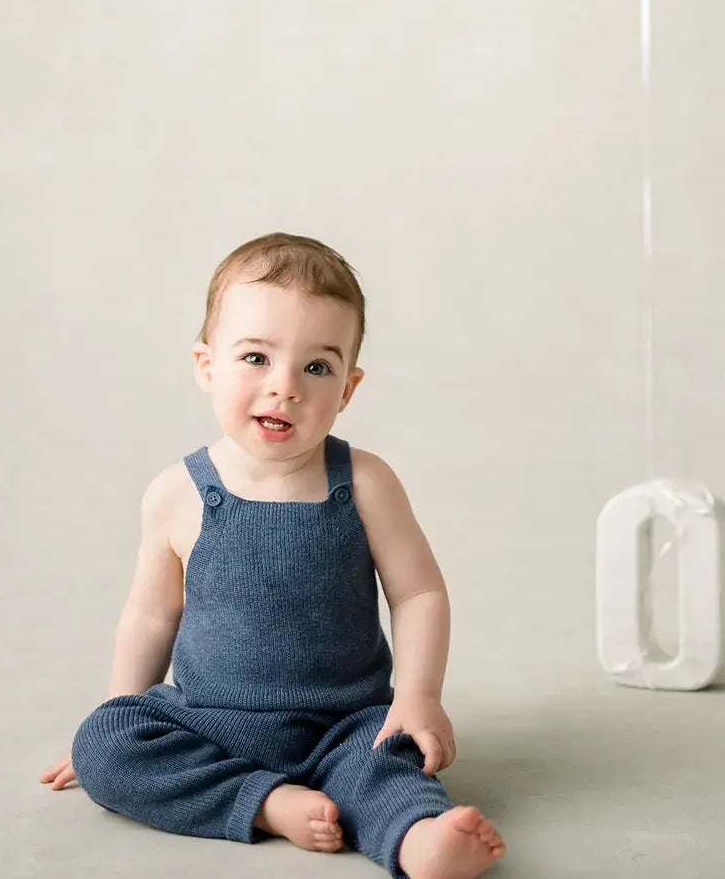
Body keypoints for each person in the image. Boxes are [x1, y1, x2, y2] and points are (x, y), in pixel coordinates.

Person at [39, 231, 506, 877]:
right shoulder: (176, 494)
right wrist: (121, 714)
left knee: (388, 765)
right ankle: (266, 803)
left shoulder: (365, 483)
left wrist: (418, 695)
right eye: (256, 357)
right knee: (102, 744)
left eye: (317, 368)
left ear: (347, 389)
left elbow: (418, 593)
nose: (284, 387)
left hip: (344, 725)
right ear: (207, 365)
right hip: (210, 723)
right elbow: (150, 616)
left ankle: (421, 841)